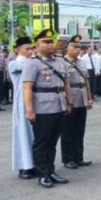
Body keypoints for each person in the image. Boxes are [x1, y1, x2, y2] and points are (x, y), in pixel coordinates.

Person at [22, 29, 73, 188]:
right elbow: (27, 88)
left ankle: (51, 170)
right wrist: (29, 110)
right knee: (42, 143)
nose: (50, 44)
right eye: (46, 42)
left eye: (51, 42)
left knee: (52, 142)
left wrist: (69, 102)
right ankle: (42, 174)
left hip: (59, 105)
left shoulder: (59, 62)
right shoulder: (32, 63)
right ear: (37, 46)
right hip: (42, 108)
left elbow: (66, 84)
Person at [61, 35, 93, 169]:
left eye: (79, 47)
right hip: (71, 99)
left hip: (82, 98)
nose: (77, 49)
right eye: (74, 47)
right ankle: (68, 159)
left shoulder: (81, 62)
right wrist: (67, 102)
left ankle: (79, 157)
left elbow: (86, 81)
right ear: (66, 48)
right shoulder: (62, 63)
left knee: (80, 130)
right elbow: (63, 84)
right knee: (68, 131)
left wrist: (90, 98)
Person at [9, 36, 35, 180]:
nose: (30, 51)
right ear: (17, 50)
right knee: (23, 135)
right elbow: (27, 66)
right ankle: (24, 166)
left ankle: (35, 163)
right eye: (27, 49)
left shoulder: (33, 62)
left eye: (32, 48)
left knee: (36, 135)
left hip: (34, 102)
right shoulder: (14, 64)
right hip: (21, 104)